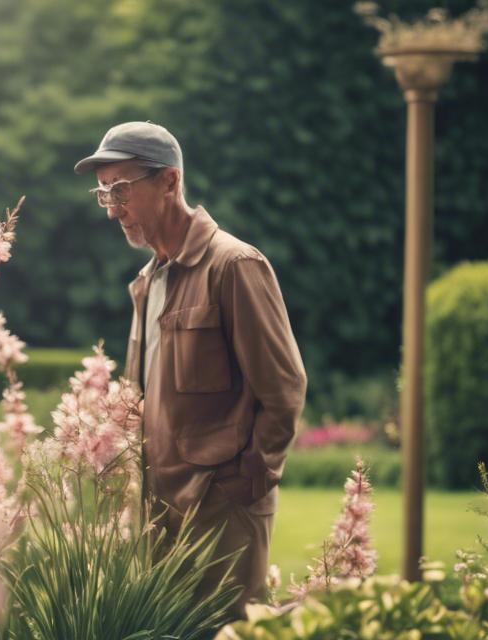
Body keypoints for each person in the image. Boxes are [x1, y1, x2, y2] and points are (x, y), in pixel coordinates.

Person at [74, 121, 307, 617]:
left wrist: (249, 483)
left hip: (221, 511)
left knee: (224, 631)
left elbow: (284, 389)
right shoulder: (147, 280)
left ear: (170, 182)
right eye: (103, 192)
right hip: (156, 512)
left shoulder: (234, 265)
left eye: (121, 189)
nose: (112, 207)